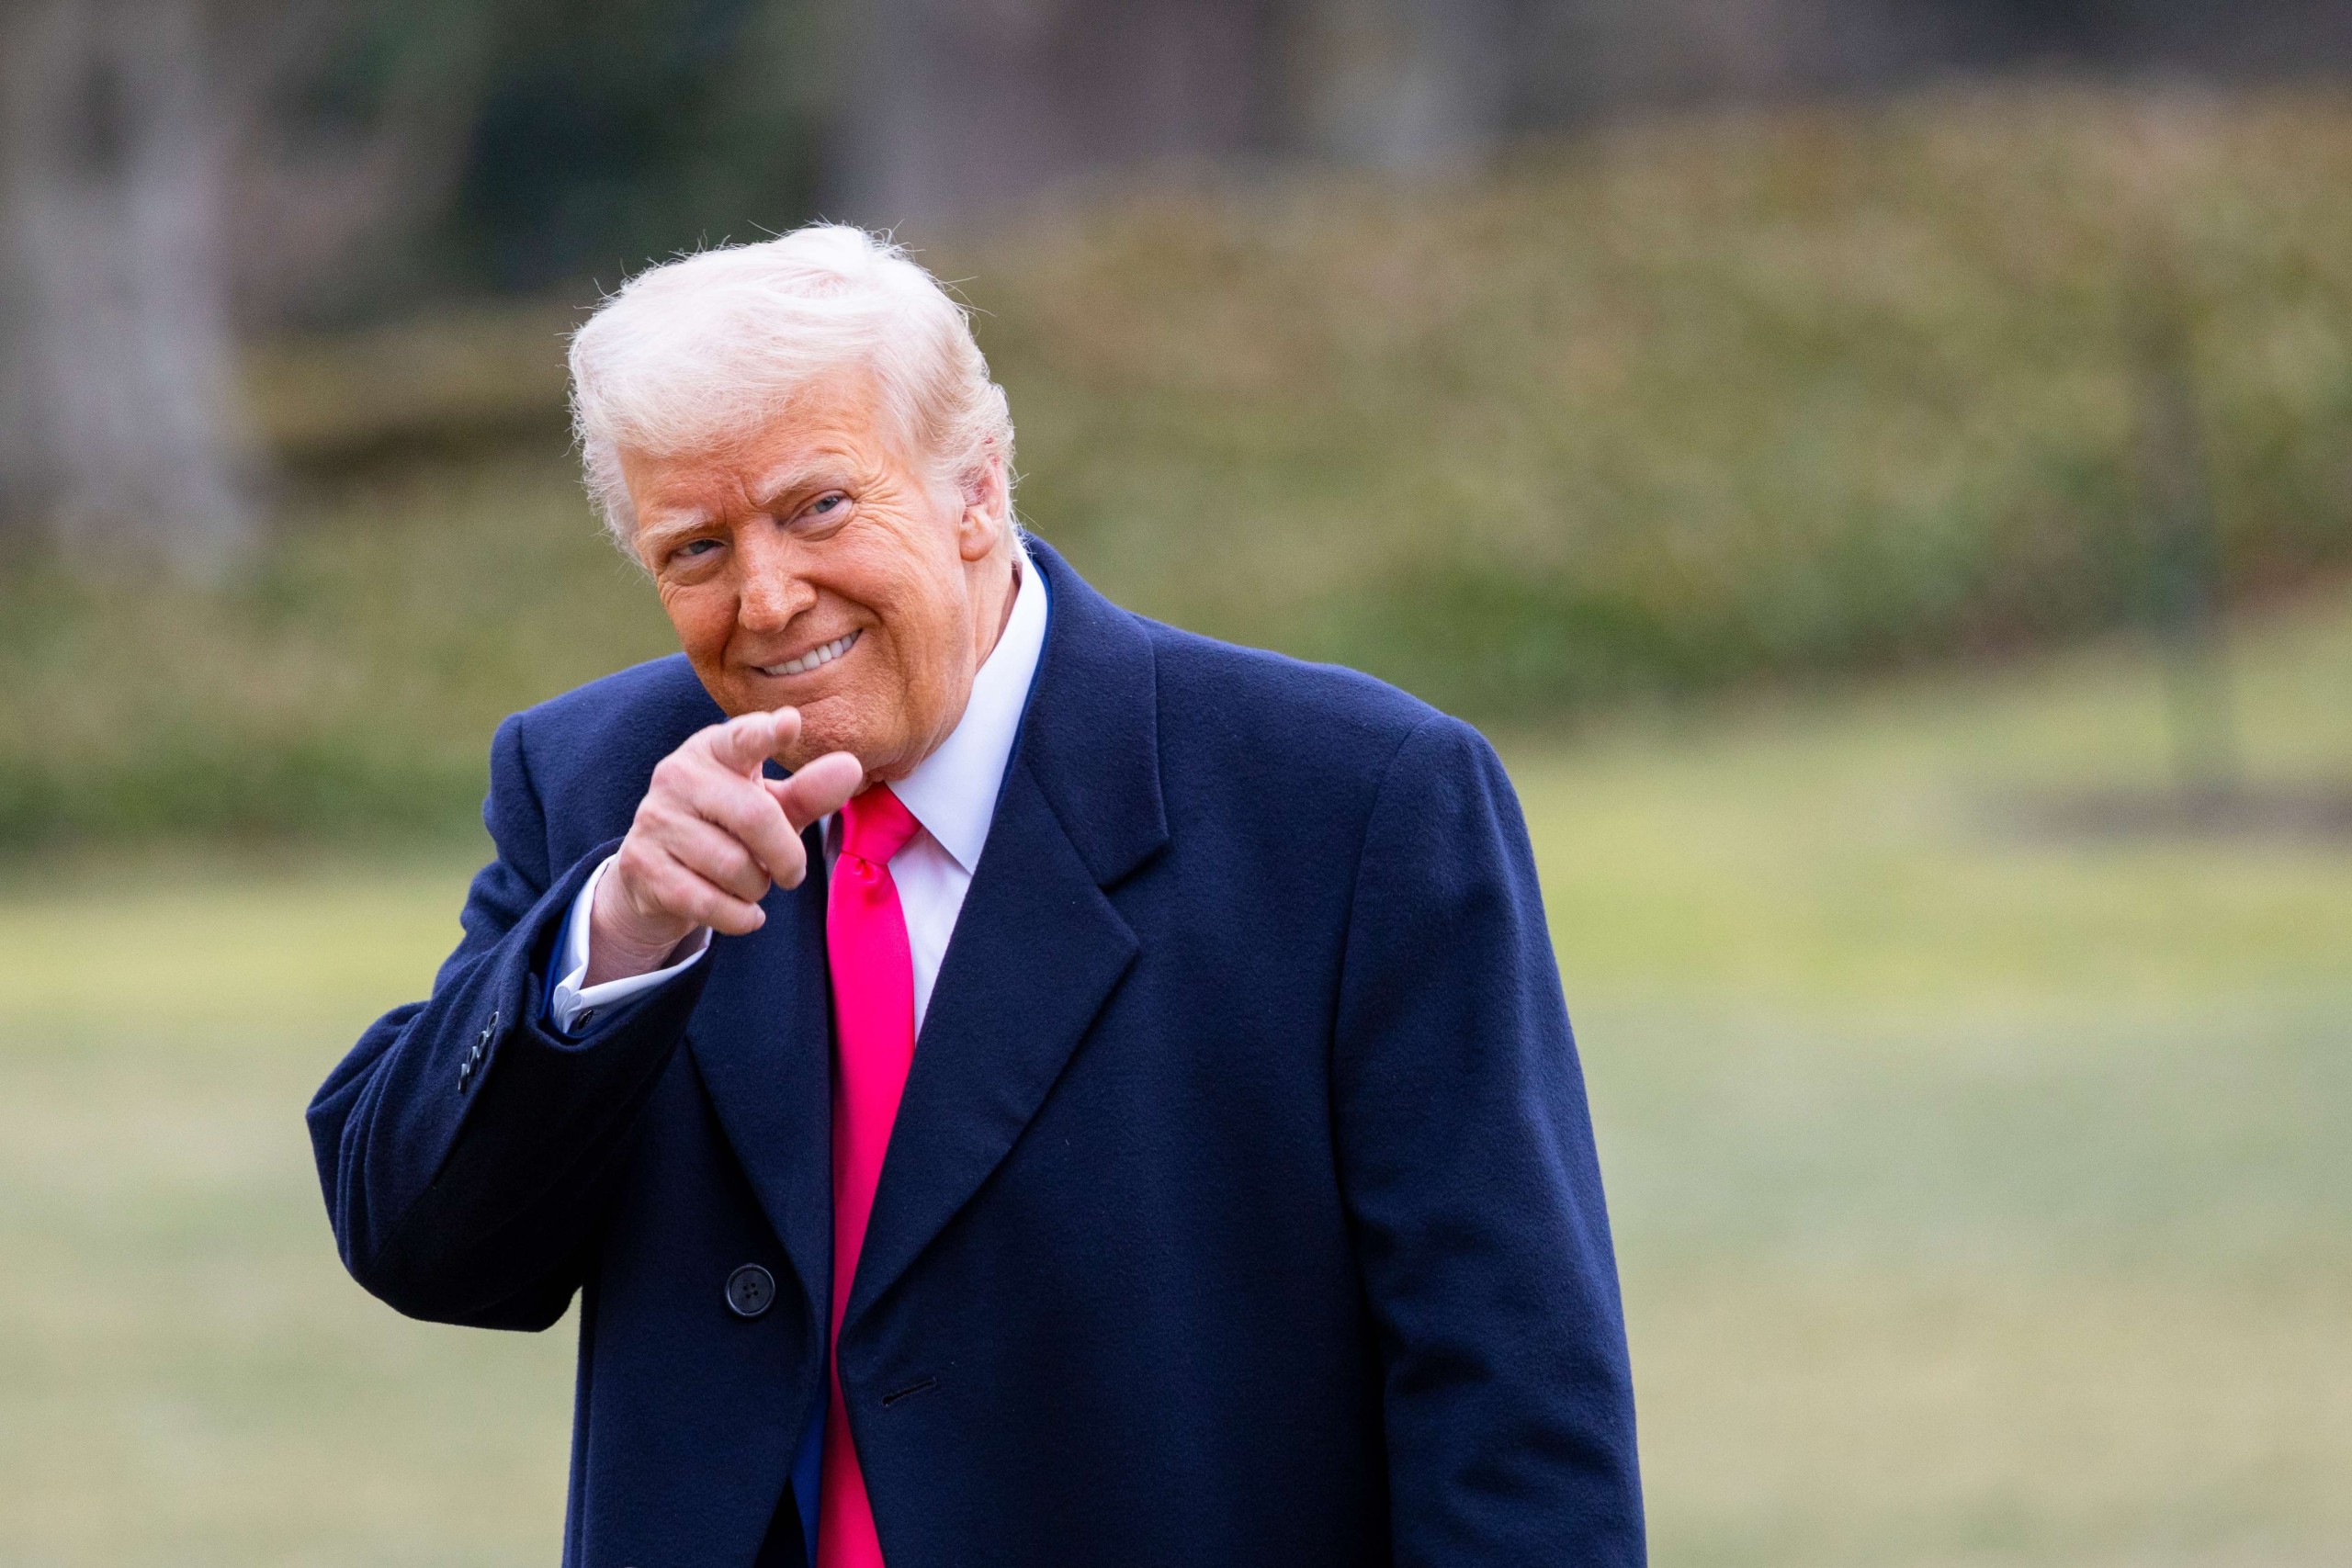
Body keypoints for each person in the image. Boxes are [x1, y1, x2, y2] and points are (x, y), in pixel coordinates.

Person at [308, 224, 1643, 1568]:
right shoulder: (598, 786)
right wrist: (621, 930)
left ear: (974, 489)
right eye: (696, 549)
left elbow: (1513, 1398)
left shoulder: (1356, 802)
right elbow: (427, 1249)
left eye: (818, 506)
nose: (767, 598)